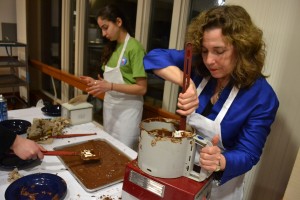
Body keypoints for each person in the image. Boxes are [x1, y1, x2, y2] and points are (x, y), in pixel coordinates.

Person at [143, 5, 279, 200]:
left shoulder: (262, 96)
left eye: (219, 51)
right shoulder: (199, 66)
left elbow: (249, 153)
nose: (209, 60)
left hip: (221, 187)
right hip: (180, 167)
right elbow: (154, 57)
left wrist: (221, 160)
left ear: (242, 48)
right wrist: (186, 82)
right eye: (205, 51)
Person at [80, 4, 147, 150]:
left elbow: (141, 88)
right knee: (109, 147)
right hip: (110, 107)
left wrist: (109, 86)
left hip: (128, 112)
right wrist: (98, 83)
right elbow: (110, 82)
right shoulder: (111, 47)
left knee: (124, 151)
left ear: (118, 22)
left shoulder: (134, 48)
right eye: (101, 29)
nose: (103, 33)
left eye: (105, 27)